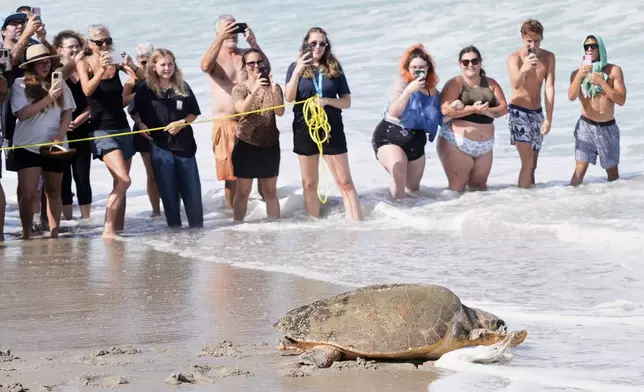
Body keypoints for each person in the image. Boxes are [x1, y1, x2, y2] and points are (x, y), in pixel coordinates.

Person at [285, 27, 363, 220]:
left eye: (322, 43)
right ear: (305, 44)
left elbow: (346, 102)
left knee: (345, 182)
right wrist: (297, 70)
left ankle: (358, 226)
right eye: (313, 43)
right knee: (310, 184)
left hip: (331, 128)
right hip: (304, 128)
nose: (318, 47)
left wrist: (327, 101)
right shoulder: (295, 67)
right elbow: (289, 97)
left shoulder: (334, 67)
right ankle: (314, 232)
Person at [77, 24, 144, 238]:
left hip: (122, 126)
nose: (105, 45)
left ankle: (118, 229)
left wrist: (132, 66)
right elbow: (87, 89)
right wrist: (100, 69)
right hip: (100, 129)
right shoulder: (84, 62)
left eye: (108, 41)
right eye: (100, 42)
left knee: (120, 183)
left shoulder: (116, 62)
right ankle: (107, 230)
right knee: (124, 179)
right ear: (90, 44)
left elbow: (144, 79)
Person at [200, 14, 269, 208]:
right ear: (218, 32)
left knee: (262, 172)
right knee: (232, 176)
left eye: (234, 28)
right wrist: (220, 38)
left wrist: (254, 43)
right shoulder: (215, 58)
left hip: (252, 120)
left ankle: (268, 217)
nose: (232, 32)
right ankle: (234, 221)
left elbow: (265, 69)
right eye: (227, 28)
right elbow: (205, 66)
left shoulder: (246, 55)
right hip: (227, 123)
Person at [131, 48, 203, 228]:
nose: (167, 68)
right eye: (163, 64)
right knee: (169, 194)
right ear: (154, 66)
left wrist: (182, 122)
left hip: (185, 146)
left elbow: (194, 113)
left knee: (192, 194)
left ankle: (197, 233)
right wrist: (140, 124)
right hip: (160, 147)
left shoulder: (183, 86)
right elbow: (133, 111)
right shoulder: (145, 88)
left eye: (170, 64)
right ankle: (175, 235)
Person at [11, 44, 76, 239]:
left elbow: (68, 112)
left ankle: (54, 234)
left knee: (53, 191)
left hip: (55, 144)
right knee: (28, 193)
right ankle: (26, 233)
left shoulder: (59, 82)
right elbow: (22, 114)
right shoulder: (20, 84)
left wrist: (60, 135)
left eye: (47, 61)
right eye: (40, 63)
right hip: (27, 144)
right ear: (31, 66)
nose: (45, 66)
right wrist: (49, 98)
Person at [372, 43, 442, 199]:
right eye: (414, 68)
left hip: (416, 141)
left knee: (413, 190)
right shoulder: (402, 84)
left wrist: (455, 106)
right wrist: (409, 91)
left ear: (428, 69)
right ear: (408, 69)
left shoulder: (434, 91)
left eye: (422, 67)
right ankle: (394, 216)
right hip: (391, 135)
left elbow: (441, 115)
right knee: (399, 175)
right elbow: (394, 112)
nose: (418, 71)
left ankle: (409, 220)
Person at [438, 46, 508, 192]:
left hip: (485, 146)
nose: (470, 64)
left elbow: (503, 108)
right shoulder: (455, 83)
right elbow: (444, 109)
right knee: (457, 189)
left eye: (474, 61)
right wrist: (472, 109)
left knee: (480, 189)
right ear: (460, 64)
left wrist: (487, 110)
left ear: (480, 62)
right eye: (465, 62)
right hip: (457, 143)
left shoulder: (491, 83)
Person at [231, 49, 283, 221]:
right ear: (245, 66)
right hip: (246, 143)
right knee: (244, 191)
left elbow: (280, 111)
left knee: (270, 190)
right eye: (251, 63)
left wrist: (274, 92)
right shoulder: (239, 89)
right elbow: (241, 110)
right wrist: (255, 90)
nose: (256, 66)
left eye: (259, 62)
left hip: (270, 143)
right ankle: (237, 227)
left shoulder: (274, 86)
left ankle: (274, 228)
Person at [568, 35, 626, 186]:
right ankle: (569, 203)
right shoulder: (577, 74)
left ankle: (613, 207)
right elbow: (571, 96)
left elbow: (621, 100)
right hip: (586, 126)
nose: (589, 49)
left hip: (607, 127)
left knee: (612, 173)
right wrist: (580, 76)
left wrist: (602, 82)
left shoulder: (614, 71)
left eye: (593, 46)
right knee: (579, 170)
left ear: (600, 48)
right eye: (586, 47)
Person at [506, 19, 555, 188]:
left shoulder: (548, 57)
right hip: (518, 112)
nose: (533, 44)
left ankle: (530, 204)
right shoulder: (514, 59)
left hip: (537, 113)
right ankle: (522, 205)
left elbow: (549, 87)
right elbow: (515, 84)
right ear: (522, 38)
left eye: (536, 40)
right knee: (526, 164)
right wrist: (524, 68)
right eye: (529, 40)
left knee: (532, 165)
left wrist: (548, 118)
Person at [53, 30, 92, 221]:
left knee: (83, 177)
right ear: (60, 50)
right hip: (60, 130)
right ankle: (67, 220)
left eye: (77, 46)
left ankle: (86, 221)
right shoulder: (55, 72)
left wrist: (79, 120)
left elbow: (93, 103)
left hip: (82, 127)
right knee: (64, 179)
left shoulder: (85, 69)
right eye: (70, 47)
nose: (75, 50)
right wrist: (64, 124)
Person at [127, 42, 160, 217]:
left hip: (164, 127)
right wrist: (139, 122)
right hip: (142, 129)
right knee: (152, 172)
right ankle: (156, 211)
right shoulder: (132, 79)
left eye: (149, 62)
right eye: (143, 63)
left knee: (170, 170)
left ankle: (174, 207)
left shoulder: (162, 75)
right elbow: (128, 106)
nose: (146, 66)